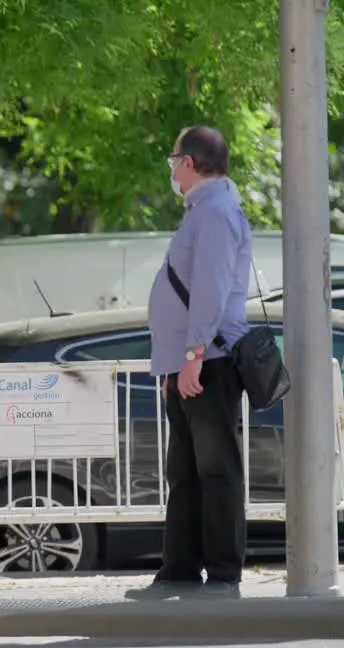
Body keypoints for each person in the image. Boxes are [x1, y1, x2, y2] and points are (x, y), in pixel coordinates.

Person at [128, 126, 251, 601]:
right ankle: (180, 567)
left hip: (209, 360)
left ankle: (223, 571)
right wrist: (175, 365)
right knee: (183, 471)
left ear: (190, 163)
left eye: (173, 159)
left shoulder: (216, 212)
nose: (171, 169)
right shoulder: (203, 211)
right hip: (188, 363)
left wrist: (194, 356)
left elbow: (210, 290)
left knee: (216, 469)